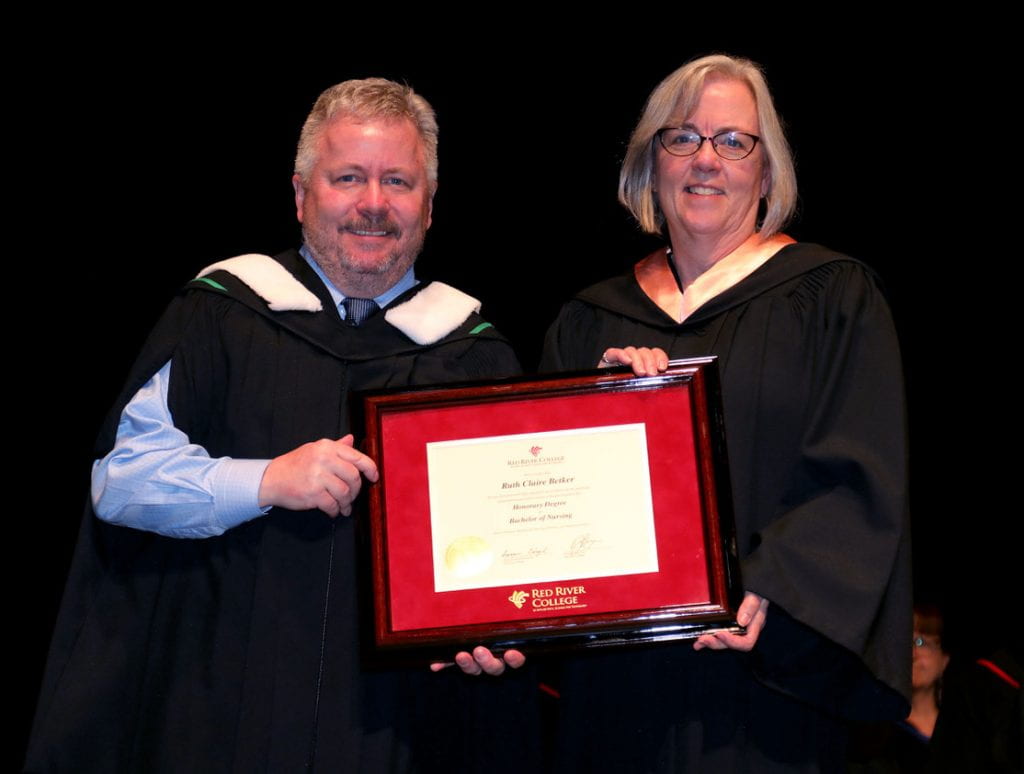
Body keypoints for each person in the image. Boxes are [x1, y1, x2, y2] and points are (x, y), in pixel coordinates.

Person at [27, 78, 534, 772]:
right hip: (217, 710)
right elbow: (120, 482)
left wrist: (503, 626)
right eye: (348, 177)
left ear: (430, 206)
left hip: (398, 729)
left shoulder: (475, 353)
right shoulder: (222, 313)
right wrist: (263, 480)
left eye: (398, 181)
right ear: (300, 194)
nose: (374, 203)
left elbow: (516, 543)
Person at [542, 54, 911, 772]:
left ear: (766, 171)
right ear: (651, 165)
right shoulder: (588, 324)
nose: (706, 160)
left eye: (733, 141)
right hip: (615, 699)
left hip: (761, 691)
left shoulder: (832, 298)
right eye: (682, 138)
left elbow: (861, 474)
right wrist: (589, 407)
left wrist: (771, 590)